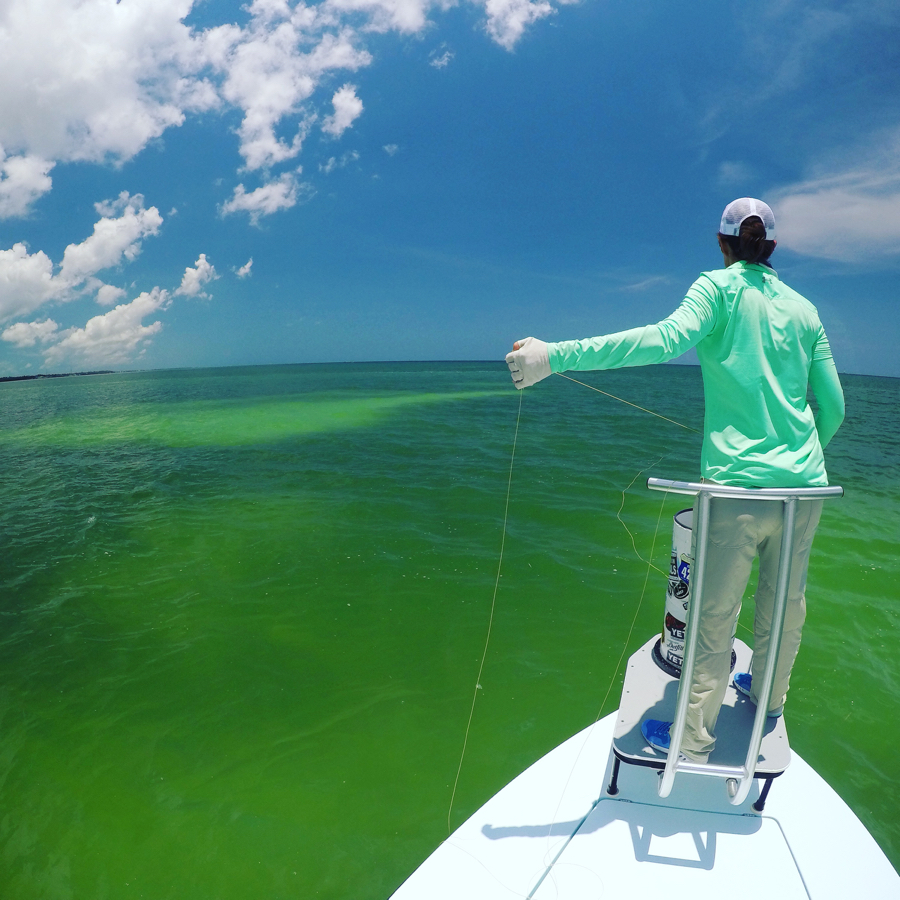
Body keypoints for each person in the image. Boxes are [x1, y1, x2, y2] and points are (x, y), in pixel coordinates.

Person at [505, 198, 845, 762]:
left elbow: (661, 341)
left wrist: (553, 356)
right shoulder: (806, 311)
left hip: (735, 491)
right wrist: (798, 460)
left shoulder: (715, 289)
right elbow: (833, 407)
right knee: (786, 605)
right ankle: (768, 699)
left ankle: (692, 742)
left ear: (723, 243)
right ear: (772, 246)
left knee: (714, 617)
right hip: (805, 489)